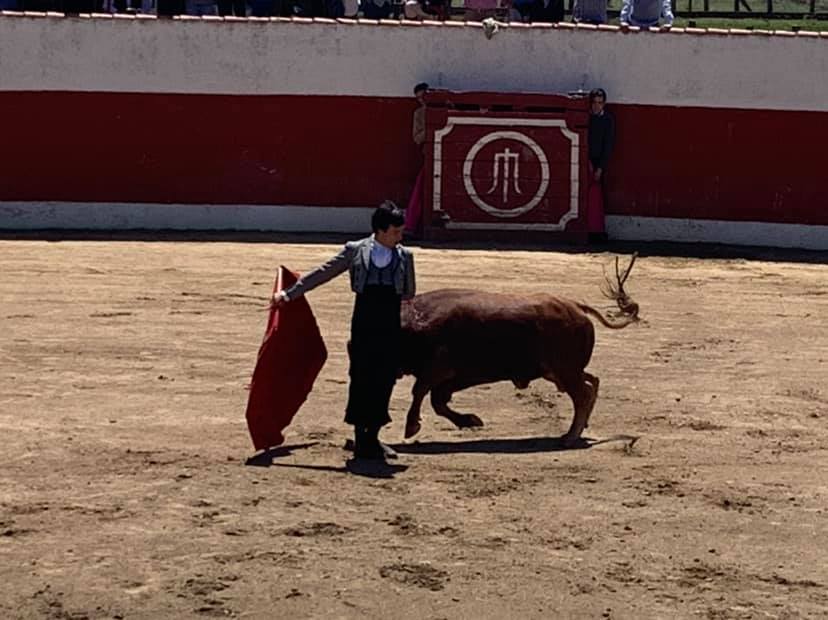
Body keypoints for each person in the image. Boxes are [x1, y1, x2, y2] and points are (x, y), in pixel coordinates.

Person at [271, 202, 416, 462]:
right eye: (396, 231)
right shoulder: (355, 251)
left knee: (384, 379)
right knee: (361, 377)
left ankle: (372, 437)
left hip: (390, 324)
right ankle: (363, 438)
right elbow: (323, 273)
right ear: (381, 231)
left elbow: (409, 293)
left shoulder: (405, 256)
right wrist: (290, 295)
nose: (400, 236)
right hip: (364, 322)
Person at [587, 88, 614, 243]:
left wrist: (600, 168)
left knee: (598, 196)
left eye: (600, 103)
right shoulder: (587, 118)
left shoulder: (608, 120)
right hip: (586, 160)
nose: (597, 106)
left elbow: (608, 146)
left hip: (598, 163)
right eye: (595, 103)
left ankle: (596, 231)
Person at [404, 82, 428, 237]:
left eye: (424, 96)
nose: (422, 100)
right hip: (428, 155)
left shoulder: (446, 109)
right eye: (419, 98)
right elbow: (417, 138)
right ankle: (412, 225)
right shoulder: (419, 114)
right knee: (421, 189)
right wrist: (431, 127)